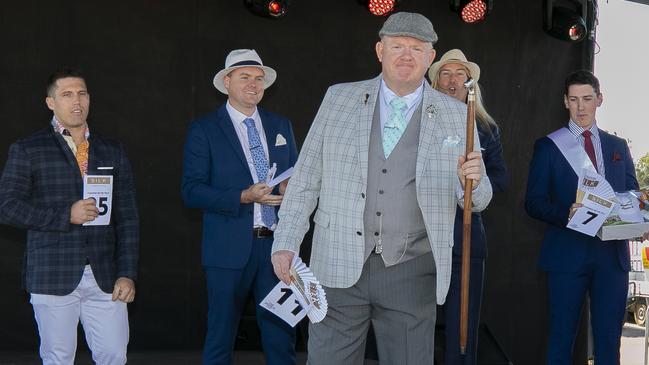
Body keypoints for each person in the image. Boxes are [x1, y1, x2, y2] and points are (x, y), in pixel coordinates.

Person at [271, 12, 492, 364]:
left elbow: (477, 199)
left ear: (430, 57)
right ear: (379, 50)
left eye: (417, 48)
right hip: (337, 264)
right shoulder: (338, 99)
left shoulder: (456, 113)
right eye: (397, 46)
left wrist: (475, 182)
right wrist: (285, 242)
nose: (406, 55)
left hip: (412, 271)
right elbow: (306, 179)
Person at [0, 68, 139, 365]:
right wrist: (66, 215)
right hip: (52, 274)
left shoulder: (111, 149)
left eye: (82, 93)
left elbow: (127, 216)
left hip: (105, 276)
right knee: (58, 358)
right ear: (50, 102)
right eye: (66, 94)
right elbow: (7, 206)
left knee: (114, 355)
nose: (76, 101)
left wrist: (127, 272)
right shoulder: (28, 149)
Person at [181, 49, 298, 365]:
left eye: (259, 78)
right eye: (245, 77)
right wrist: (243, 196)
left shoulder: (280, 125)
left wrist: (291, 189)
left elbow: (295, 176)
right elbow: (191, 191)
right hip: (227, 248)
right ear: (226, 81)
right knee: (221, 334)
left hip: (277, 246)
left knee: (282, 334)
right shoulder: (205, 129)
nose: (253, 84)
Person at [525, 70, 647, 364]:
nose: (581, 107)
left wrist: (640, 217)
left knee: (609, 341)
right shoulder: (549, 146)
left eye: (587, 99)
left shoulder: (617, 146)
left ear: (599, 100)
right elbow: (533, 203)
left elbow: (630, 193)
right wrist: (565, 213)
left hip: (611, 257)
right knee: (561, 338)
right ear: (565, 102)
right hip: (567, 254)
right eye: (575, 99)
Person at [428, 49, 508, 365]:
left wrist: (472, 185)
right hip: (421, 240)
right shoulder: (420, 126)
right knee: (413, 323)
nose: (452, 81)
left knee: (463, 329)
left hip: (467, 239)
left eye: (458, 74)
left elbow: (500, 178)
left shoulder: (486, 128)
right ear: (434, 82)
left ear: (469, 82)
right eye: (445, 74)